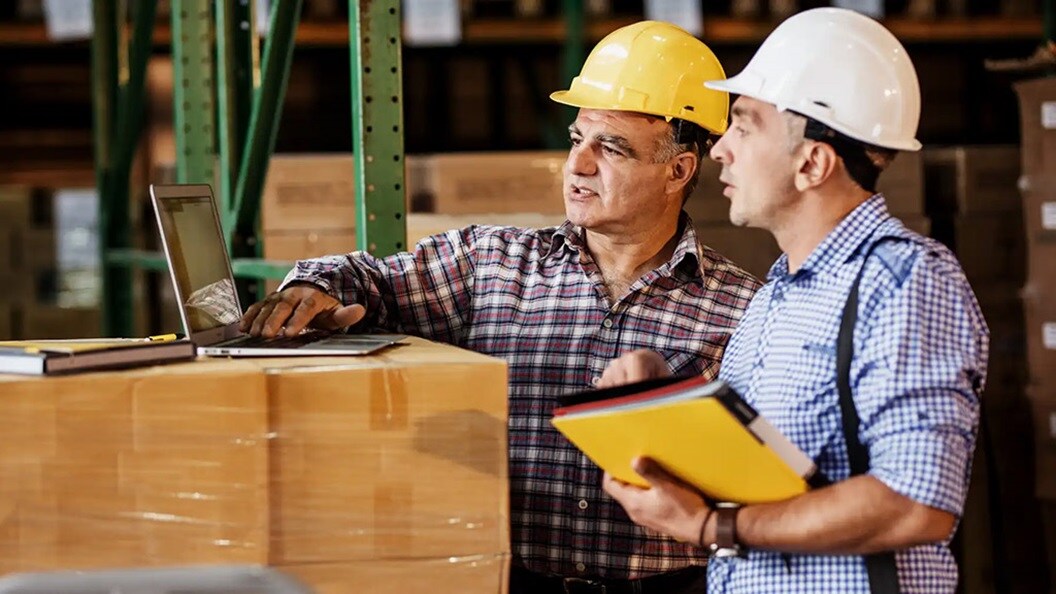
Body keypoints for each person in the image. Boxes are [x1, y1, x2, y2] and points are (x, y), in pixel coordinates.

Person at [240, 21, 761, 594]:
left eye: (610, 147)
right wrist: (311, 288)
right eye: (576, 139)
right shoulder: (491, 263)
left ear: (679, 170)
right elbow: (370, 279)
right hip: (511, 582)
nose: (578, 165)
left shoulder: (742, 311)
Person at [599, 8, 989, 594]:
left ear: (813, 162)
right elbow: (768, 472)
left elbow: (916, 504)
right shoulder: (775, 296)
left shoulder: (905, 281)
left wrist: (713, 525)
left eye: (746, 126)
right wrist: (663, 399)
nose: (720, 149)